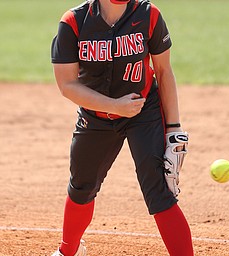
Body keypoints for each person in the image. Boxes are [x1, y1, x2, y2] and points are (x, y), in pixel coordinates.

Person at [51, 0, 194, 255]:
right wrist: (114, 106)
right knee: (82, 186)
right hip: (96, 116)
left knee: (159, 188)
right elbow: (67, 85)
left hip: (143, 111)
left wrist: (173, 128)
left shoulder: (148, 15)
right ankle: (68, 251)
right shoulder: (73, 22)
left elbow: (163, 71)